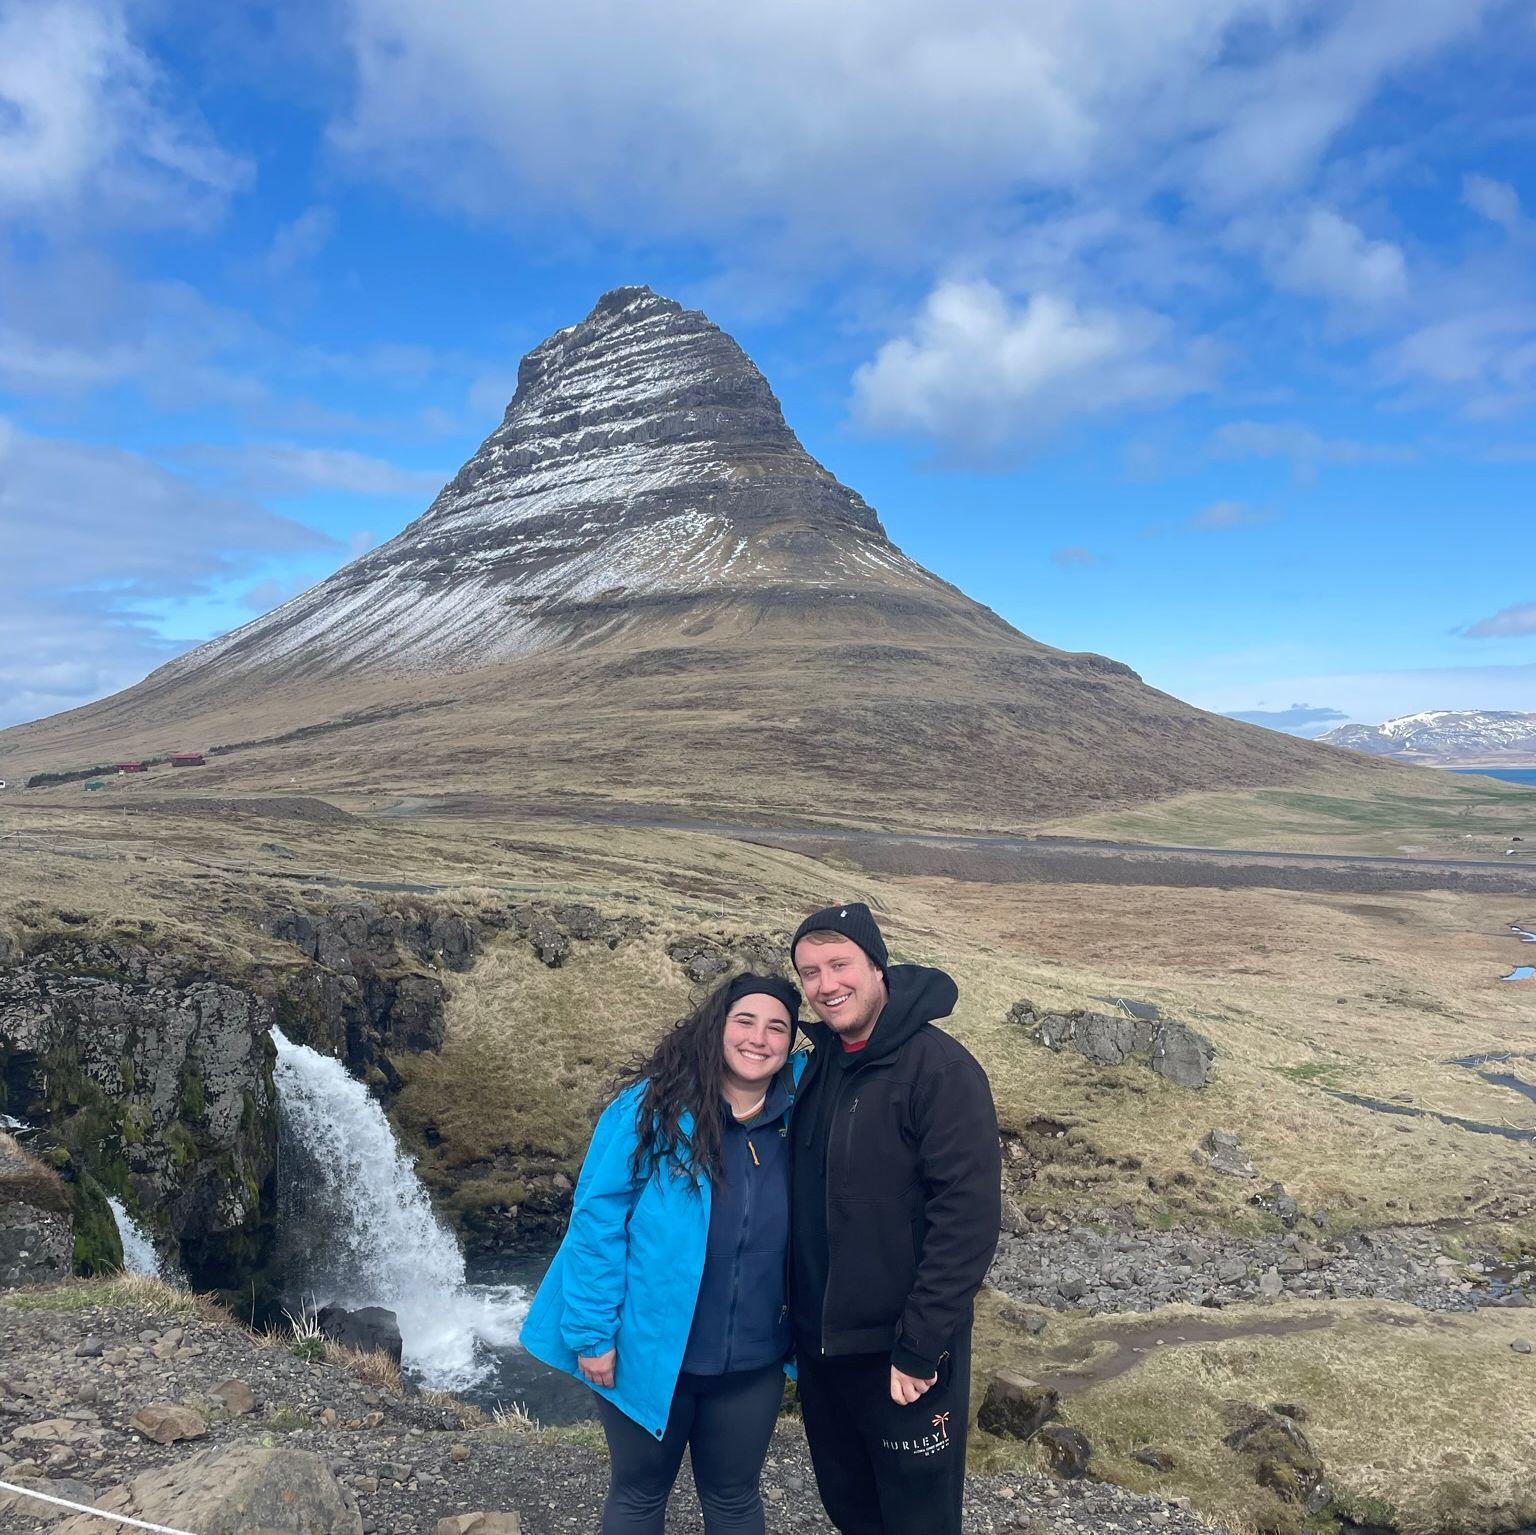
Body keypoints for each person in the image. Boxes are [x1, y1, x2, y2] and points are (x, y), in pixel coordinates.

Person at [519, 972, 805, 1535]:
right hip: (645, 1352)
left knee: (735, 1498)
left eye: (778, 1027)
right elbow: (597, 1221)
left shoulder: (804, 1114)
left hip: (754, 1360)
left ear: (792, 1043)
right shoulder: (652, 1108)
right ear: (716, 1027)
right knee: (641, 1493)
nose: (759, 1038)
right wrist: (592, 1335)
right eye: (744, 1021)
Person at [788, 902, 1001, 1535]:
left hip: (902, 1356)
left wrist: (919, 1347)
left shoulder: (941, 1071)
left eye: (839, 964)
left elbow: (966, 1221)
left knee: (917, 1521)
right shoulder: (819, 1064)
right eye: (809, 972)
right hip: (824, 1351)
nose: (826, 985)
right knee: (851, 1508)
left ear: (877, 966)